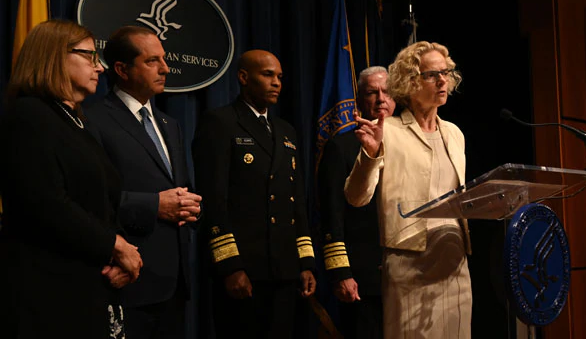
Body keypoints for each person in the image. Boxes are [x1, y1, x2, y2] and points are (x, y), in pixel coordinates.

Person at [0, 19, 142, 339]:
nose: (100, 68)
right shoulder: (28, 115)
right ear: (54, 56)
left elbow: (104, 200)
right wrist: (114, 245)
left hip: (90, 287)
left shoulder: (78, 124)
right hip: (47, 293)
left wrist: (122, 254)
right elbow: (44, 203)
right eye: (90, 56)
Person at [344, 41, 472, 338]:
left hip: (455, 263)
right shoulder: (388, 130)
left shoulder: (455, 134)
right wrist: (371, 155)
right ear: (410, 82)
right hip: (410, 266)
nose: (443, 80)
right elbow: (356, 196)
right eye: (432, 74)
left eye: (447, 72)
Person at [84, 25, 202, 339]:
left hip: (174, 286)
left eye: (164, 59)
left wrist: (190, 208)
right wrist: (155, 206)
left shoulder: (170, 124)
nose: (165, 68)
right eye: (152, 61)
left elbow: (181, 189)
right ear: (121, 69)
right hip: (127, 283)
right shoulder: (93, 120)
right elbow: (90, 200)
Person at [192, 49, 316, 339]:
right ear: (244, 77)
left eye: (280, 77)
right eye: (267, 74)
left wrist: (306, 262)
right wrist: (230, 266)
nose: (277, 83)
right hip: (245, 269)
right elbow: (214, 200)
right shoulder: (221, 122)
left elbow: (297, 204)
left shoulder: (286, 132)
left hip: (286, 271)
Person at [318, 66, 395, 338]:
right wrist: (341, 272)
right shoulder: (342, 147)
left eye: (386, 91)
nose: (380, 99)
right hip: (363, 277)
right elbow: (332, 213)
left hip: (405, 275)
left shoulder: (408, 143)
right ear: (360, 101)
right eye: (372, 93)